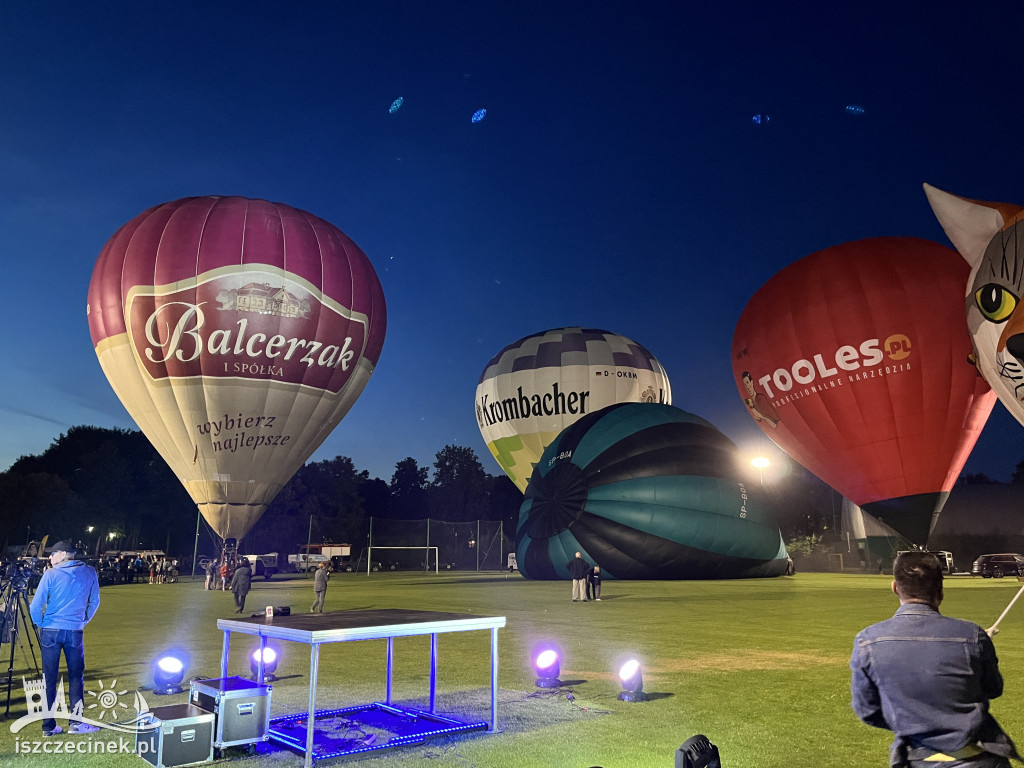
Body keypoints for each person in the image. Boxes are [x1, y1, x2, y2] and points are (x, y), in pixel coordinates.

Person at [851, 551, 1020, 768]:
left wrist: (912, 724)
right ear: (940, 590)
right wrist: (979, 649)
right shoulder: (972, 636)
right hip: (977, 759)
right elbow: (993, 688)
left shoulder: (867, 641)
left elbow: (867, 710)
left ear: (895, 587)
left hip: (918, 758)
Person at [29, 540, 101, 737]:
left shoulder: (51, 574)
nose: (50, 557)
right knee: (76, 677)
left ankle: (48, 726)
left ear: (64, 554)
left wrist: (41, 623)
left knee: (48, 678)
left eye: (53, 554)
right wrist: (83, 620)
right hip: (73, 631)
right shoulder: (90, 572)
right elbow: (94, 601)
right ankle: (76, 723)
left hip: (51, 631)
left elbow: (35, 606)